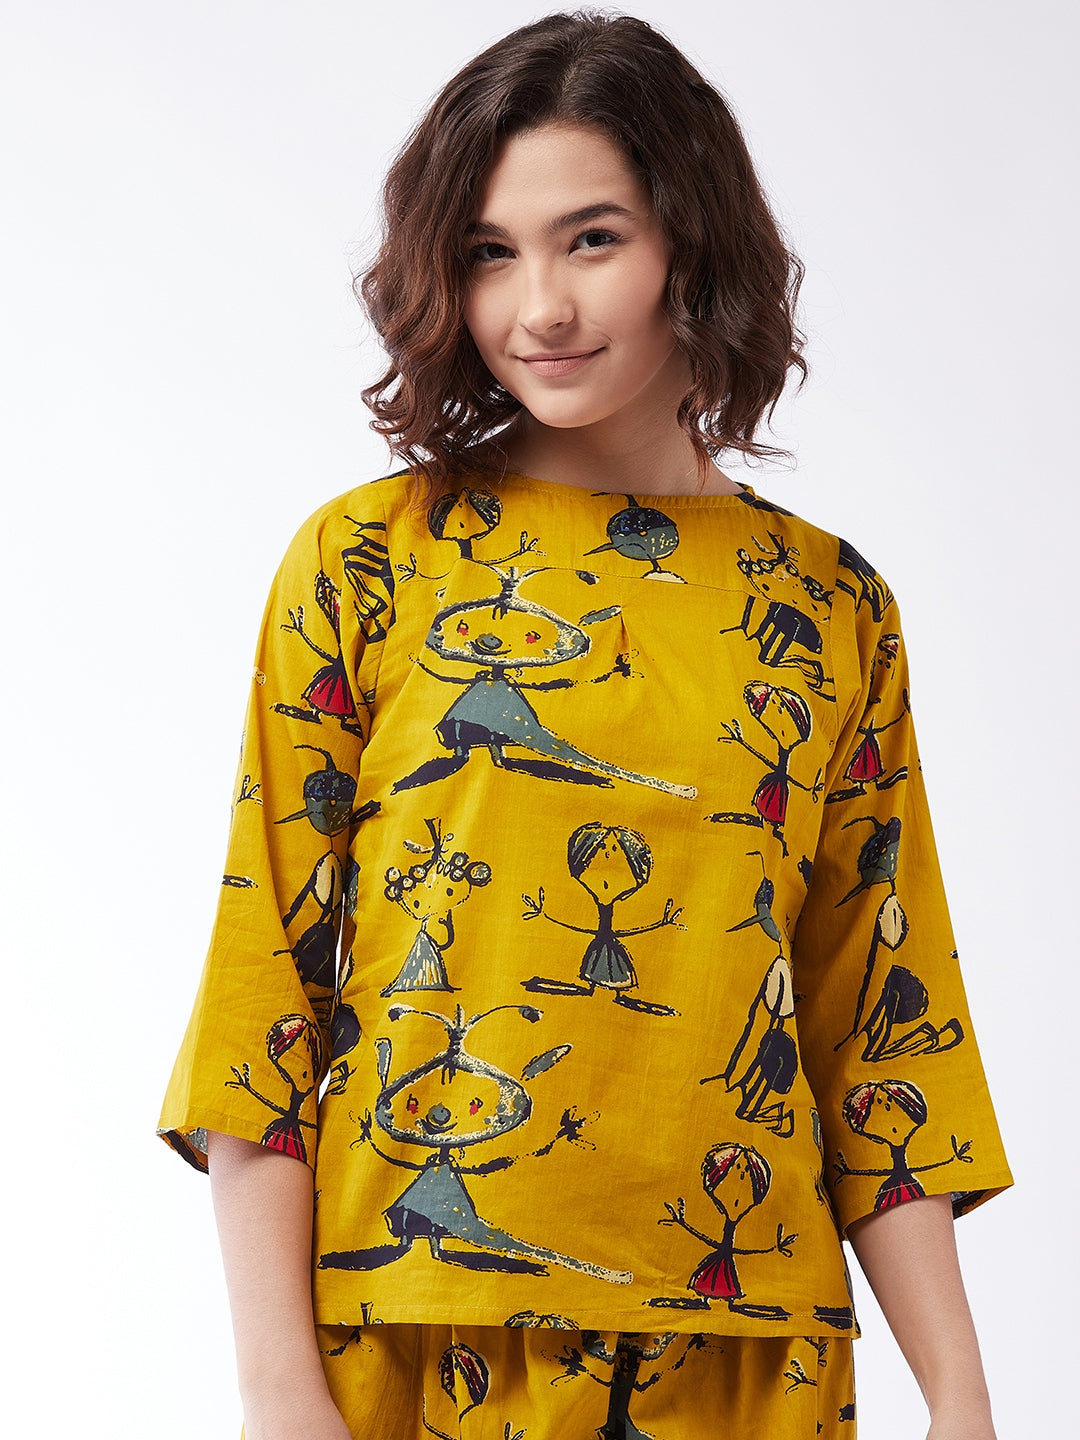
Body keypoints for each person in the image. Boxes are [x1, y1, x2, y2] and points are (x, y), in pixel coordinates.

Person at [158, 12, 1012, 1439]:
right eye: (490, 252)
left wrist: (963, 1397)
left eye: (593, 239)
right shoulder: (369, 561)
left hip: (751, 1361)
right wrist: (277, 1391)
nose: (538, 307)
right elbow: (266, 996)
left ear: (694, 242)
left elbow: (878, 1020)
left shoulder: (828, 604)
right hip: (417, 1338)